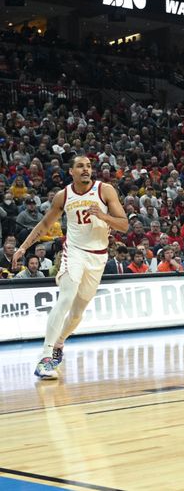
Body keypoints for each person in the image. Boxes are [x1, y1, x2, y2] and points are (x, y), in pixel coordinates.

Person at [12, 156, 128, 379]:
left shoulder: (105, 190)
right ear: (71, 172)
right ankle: (45, 358)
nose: (85, 169)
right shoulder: (63, 195)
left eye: (88, 166)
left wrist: (102, 216)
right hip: (73, 252)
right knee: (66, 298)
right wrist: (23, 248)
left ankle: (58, 345)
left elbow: (123, 224)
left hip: (98, 256)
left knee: (77, 313)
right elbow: (45, 224)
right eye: (80, 166)